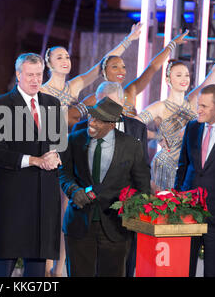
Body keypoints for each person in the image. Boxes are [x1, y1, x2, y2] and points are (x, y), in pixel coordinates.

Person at [41, 22, 142, 276]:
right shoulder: (39, 91)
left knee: (71, 210)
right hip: (46, 153)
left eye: (66, 56)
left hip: (72, 153)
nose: (65, 60)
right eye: (58, 57)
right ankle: (43, 266)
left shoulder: (72, 86)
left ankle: (60, 267)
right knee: (49, 211)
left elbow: (102, 65)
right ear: (48, 63)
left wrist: (130, 38)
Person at [0, 53, 66, 277]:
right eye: (30, 75)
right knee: (5, 263)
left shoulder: (53, 104)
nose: (35, 80)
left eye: (39, 75)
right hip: (15, 197)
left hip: (45, 197)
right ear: (19, 75)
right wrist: (34, 160)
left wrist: (57, 157)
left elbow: (60, 145)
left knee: (37, 267)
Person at [59, 96, 151, 276]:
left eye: (98, 120)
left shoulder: (132, 146)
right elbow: (64, 173)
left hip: (116, 228)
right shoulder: (75, 140)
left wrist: (129, 207)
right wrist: (73, 190)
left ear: (111, 124)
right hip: (78, 224)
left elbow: (143, 189)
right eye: (92, 117)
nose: (92, 123)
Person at [174, 85, 215, 277]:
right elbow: (183, 164)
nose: (198, 110)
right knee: (184, 270)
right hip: (187, 212)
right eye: (198, 105)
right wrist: (177, 198)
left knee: (213, 272)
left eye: (204, 106)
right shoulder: (192, 127)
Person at [135, 59, 212, 192]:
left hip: (191, 166)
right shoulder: (160, 107)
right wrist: (156, 135)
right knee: (163, 209)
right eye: (178, 75)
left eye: (187, 75)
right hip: (165, 166)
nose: (184, 79)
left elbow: (214, 74)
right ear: (167, 80)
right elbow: (133, 124)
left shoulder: (193, 102)